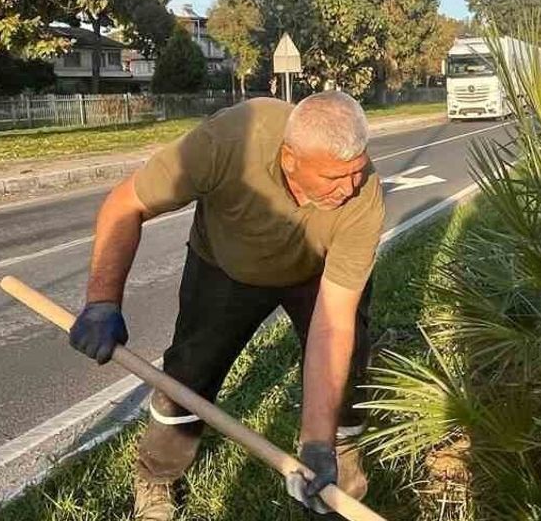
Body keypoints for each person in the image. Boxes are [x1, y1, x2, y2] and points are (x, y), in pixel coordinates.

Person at [68, 92, 383, 519]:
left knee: (348, 366)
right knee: (190, 375)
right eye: (332, 177)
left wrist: (315, 442)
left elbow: (334, 325)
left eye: (356, 172)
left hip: (314, 273)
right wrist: (102, 301)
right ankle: (157, 477)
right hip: (225, 266)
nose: (348, 188)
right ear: (290, 160)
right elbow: (127, 204)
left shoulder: (363, 196)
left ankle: (335, 470)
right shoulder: (225, 142)